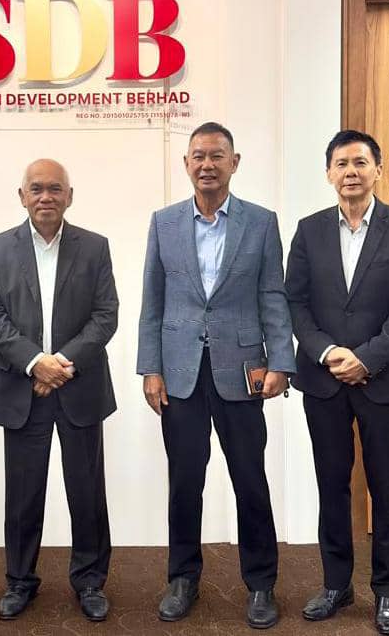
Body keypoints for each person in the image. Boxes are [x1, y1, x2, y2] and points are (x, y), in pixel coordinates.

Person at [137, 121, 295, 629]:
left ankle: (261, 583)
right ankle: (182, 578)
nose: (207, 164)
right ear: (187, 164)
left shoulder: (261, 222)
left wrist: (281, 361)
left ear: (234, 162)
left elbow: (273, 295)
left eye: (217, 156)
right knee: (185, 481)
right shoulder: (164, 222)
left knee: (250, 479)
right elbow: (152, 302)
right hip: (180, 372)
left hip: (243, 370)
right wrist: (150, 368)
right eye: (198, 156)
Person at [285, 130, 389, 635]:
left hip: (384, 379)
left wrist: (365, 359)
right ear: (329, 173)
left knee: (387, 488)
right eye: (341, 163)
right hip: (324, 379)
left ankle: (388, 592)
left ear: (377, 170)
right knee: (331, 485)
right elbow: (295, 301)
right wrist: (327, 352)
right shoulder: (309, 231)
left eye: (360, 162)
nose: (351, 171)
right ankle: (336, 584)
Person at [0, 159, 118, 622]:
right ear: (21, 196)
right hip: (22, 388)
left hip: (79, 386)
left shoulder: (94, 247)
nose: (45, 196)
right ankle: (20, 580)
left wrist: (61, 364)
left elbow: (106, 315)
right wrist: (35, 363)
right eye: (36, 188)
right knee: (23, 493)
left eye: (55, 189)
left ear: (69, 196)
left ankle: (90, 580)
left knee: (87, 491)